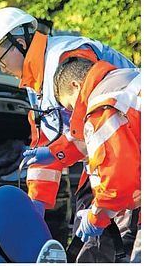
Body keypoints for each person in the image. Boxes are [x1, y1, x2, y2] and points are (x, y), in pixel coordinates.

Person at [0, 7, 137, 261]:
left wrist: (99, 211)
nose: (1, 68)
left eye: (0, 59)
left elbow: (96, 132)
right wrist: (36, 206)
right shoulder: (37, 82)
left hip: (121, 155)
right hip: (111, 154)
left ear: (19, 43)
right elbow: (49, 142)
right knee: (95, 234)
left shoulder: (69, 59)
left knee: (112, 234)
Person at [52, 58, 140, 260]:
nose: (74, 114)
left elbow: (119, 180)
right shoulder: (127, 80)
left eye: (70, 106)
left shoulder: (103, 105)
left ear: (75, 85)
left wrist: (96, 218)